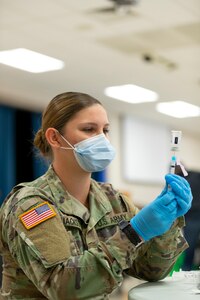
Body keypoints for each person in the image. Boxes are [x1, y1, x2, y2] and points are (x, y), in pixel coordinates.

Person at [0, 92, 192, 300]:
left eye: (105, 130)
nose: (102, 139)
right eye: (89, 129)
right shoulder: (30, 204)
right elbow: (64, 288)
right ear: (55, 137)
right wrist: (135, 233)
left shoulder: (112, 199)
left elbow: (150, 270)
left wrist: (167, 222)